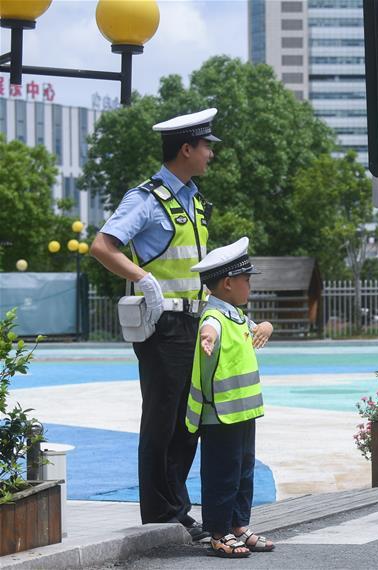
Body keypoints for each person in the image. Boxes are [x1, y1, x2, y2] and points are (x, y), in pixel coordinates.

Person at [90, 109, 220, 539]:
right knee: (163, 420)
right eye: (206, 146)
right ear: (186, 149)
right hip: (163, 325)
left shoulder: (194, 199)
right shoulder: (146, 198)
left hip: (194, 322)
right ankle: (162, 515)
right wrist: (142, 279)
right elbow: (102, 245)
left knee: (188, 421)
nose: (210, 154)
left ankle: (177, 509)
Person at [186, 237, 274, 558]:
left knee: (242, 472)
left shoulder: (235, 315)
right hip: (220, 414)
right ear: (227, 283)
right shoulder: (215, 317)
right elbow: (208, 329)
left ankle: (238, 525)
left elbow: (256, 327)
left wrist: (266, 326)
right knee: (222, 473)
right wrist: (206, 339)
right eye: (246, 280)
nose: (249, 286)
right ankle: (218, 532)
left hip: (243, 412)